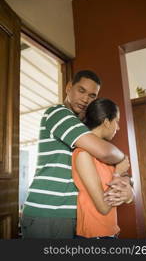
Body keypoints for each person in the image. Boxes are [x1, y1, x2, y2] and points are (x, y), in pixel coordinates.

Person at [21, 70, 130, 239]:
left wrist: (129, 188)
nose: (86, 99)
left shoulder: (83, 128)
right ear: (68, 88)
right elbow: (105, 152)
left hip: (73, 216)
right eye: (81, 90)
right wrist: (123, 159)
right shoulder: (58, 113)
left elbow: (107, 171)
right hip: (48, 211)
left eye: (92, 95)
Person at [72, 98, 134, 239]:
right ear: (106, 122)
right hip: (93, 236)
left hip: (111, 233)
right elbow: (104, 207)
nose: (118, 127)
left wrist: (130, 195)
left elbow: (128, 192)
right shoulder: (82, 154)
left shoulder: (108, 155)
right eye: (116, 121)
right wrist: (117, 173)